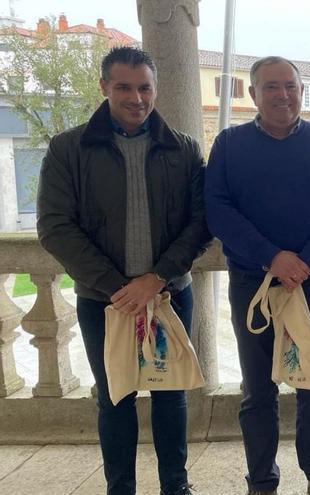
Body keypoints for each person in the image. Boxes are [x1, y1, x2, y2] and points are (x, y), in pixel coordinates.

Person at [36, 46, 210, 495]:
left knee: (172, 395)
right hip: (104, 300)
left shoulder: (184, 148)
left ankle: (176, 485)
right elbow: (55, 227)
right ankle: (121, 488)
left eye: (145, 87)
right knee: (115, 397)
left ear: (155, 89)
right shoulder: (68, 148)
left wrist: (156, 279)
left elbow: (201, 223)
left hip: (170, 294)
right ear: (104, 87)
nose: (137, 98)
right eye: (124, 87)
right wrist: (119, 288)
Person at [204, 56, 310, 495]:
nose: (282, 94)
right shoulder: (229, 144)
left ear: (302, 91)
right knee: (257, 388)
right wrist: (271, 257)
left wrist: (305, 260)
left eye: (290, 86)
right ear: (253, 94)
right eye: (271, 87)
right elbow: (218, 208)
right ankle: (262, 478)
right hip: (253, 280)